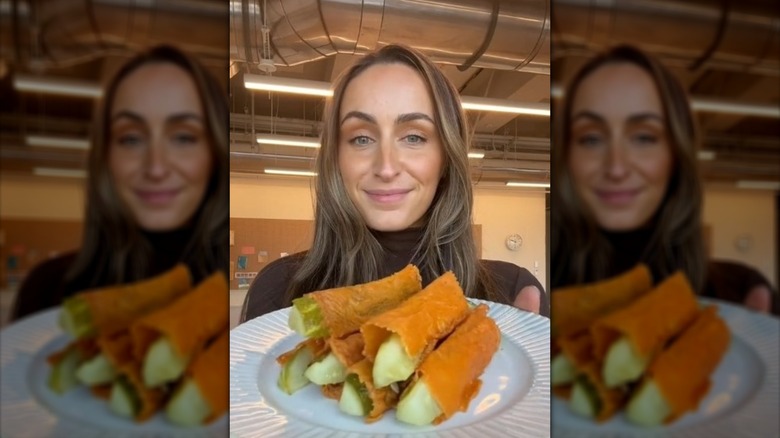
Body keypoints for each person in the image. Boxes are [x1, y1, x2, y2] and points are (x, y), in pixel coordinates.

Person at [241, 44, 546, 322]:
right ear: (336, 159)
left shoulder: (511, 296)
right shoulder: (278, 290)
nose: (386, 167)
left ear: (446, 158)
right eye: (361, 138)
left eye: (414, 137)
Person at [550, 45, 777, 315]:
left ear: (677, 153)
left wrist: (733, 280)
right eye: (591, 138)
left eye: (644, 137)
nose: (616, 168)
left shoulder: (732, 300)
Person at [11, 45, 229, 321]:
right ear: (105, 156)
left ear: (215, 154)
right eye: (130, 139)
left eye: (184, 137)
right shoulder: (46, 290)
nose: (156, 168)